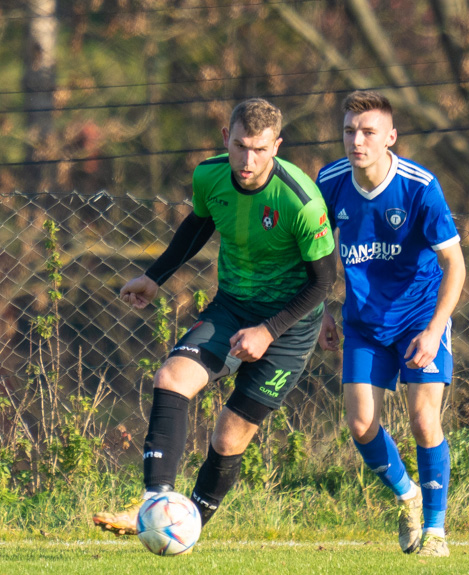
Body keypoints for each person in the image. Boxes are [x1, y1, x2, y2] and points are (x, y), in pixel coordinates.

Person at [94, 98, 336, 535]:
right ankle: (154, 507)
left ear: (277, 146)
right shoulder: (209, 174)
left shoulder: (301, 202)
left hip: (290, 325)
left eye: (260, 150)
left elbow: (322, 282)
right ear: (226, 138)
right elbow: (198, 224)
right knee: (172, 378)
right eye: (241, 146)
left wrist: (268, 331)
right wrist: (155, 277)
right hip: (232, 306)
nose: (248, 160)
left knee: (229, 436)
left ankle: (190, 525)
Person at [316, 91, 465, 557]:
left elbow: (455, 264)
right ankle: (408, 496)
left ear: (390, 138)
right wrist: (321, 310)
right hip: (362, 322)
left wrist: (436, 328)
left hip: (420, 319)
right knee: (361, 424)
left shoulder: (420, 186)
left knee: (424, 421)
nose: (356, 141)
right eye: (349, 131)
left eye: (368, 132)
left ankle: (436, 531)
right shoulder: (330, 180)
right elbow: (316, 253)